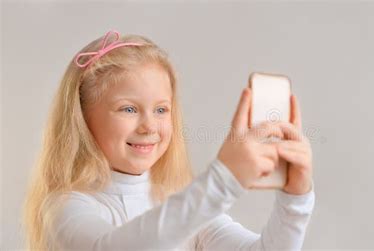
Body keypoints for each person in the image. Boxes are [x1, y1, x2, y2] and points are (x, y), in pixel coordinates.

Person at [23, 30, 315, 250]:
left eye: (161, 109)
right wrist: (224, 179)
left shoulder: (177, 203)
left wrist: (296, 199)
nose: (149, 125)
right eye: (128, 109)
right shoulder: (64, 209)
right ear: (82, 118)